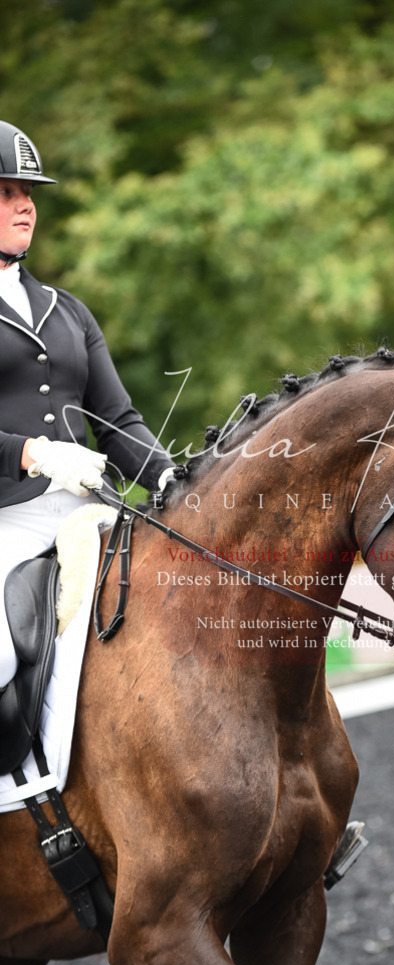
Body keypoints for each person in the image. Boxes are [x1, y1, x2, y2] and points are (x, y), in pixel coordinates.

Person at [0, 120, 175, 688]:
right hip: (9, 521)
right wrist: (35, 454)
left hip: (90, 512)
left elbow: (117, 422)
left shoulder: (66, 309)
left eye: (27, 193)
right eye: (6, 193)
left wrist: (172, 478)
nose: (25, 206)